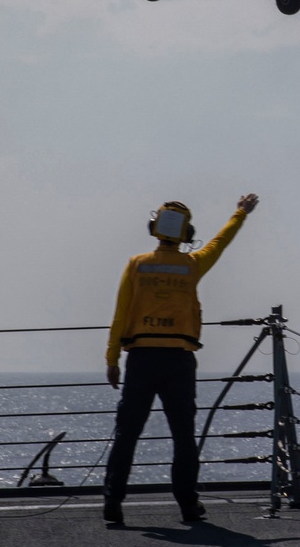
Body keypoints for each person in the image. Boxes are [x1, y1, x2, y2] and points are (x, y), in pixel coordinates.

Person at [102, 193, 259, 525]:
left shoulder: (136, 264)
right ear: (186, 234)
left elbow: (120, 315)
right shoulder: (192, 264)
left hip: (141, 360)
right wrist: (240, 213)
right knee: (183, 438)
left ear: (153, 228)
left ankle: (113, 504)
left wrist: (112, 358)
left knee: (127, 434)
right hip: (178, 361)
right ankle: (188, 506)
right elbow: (220, 241)